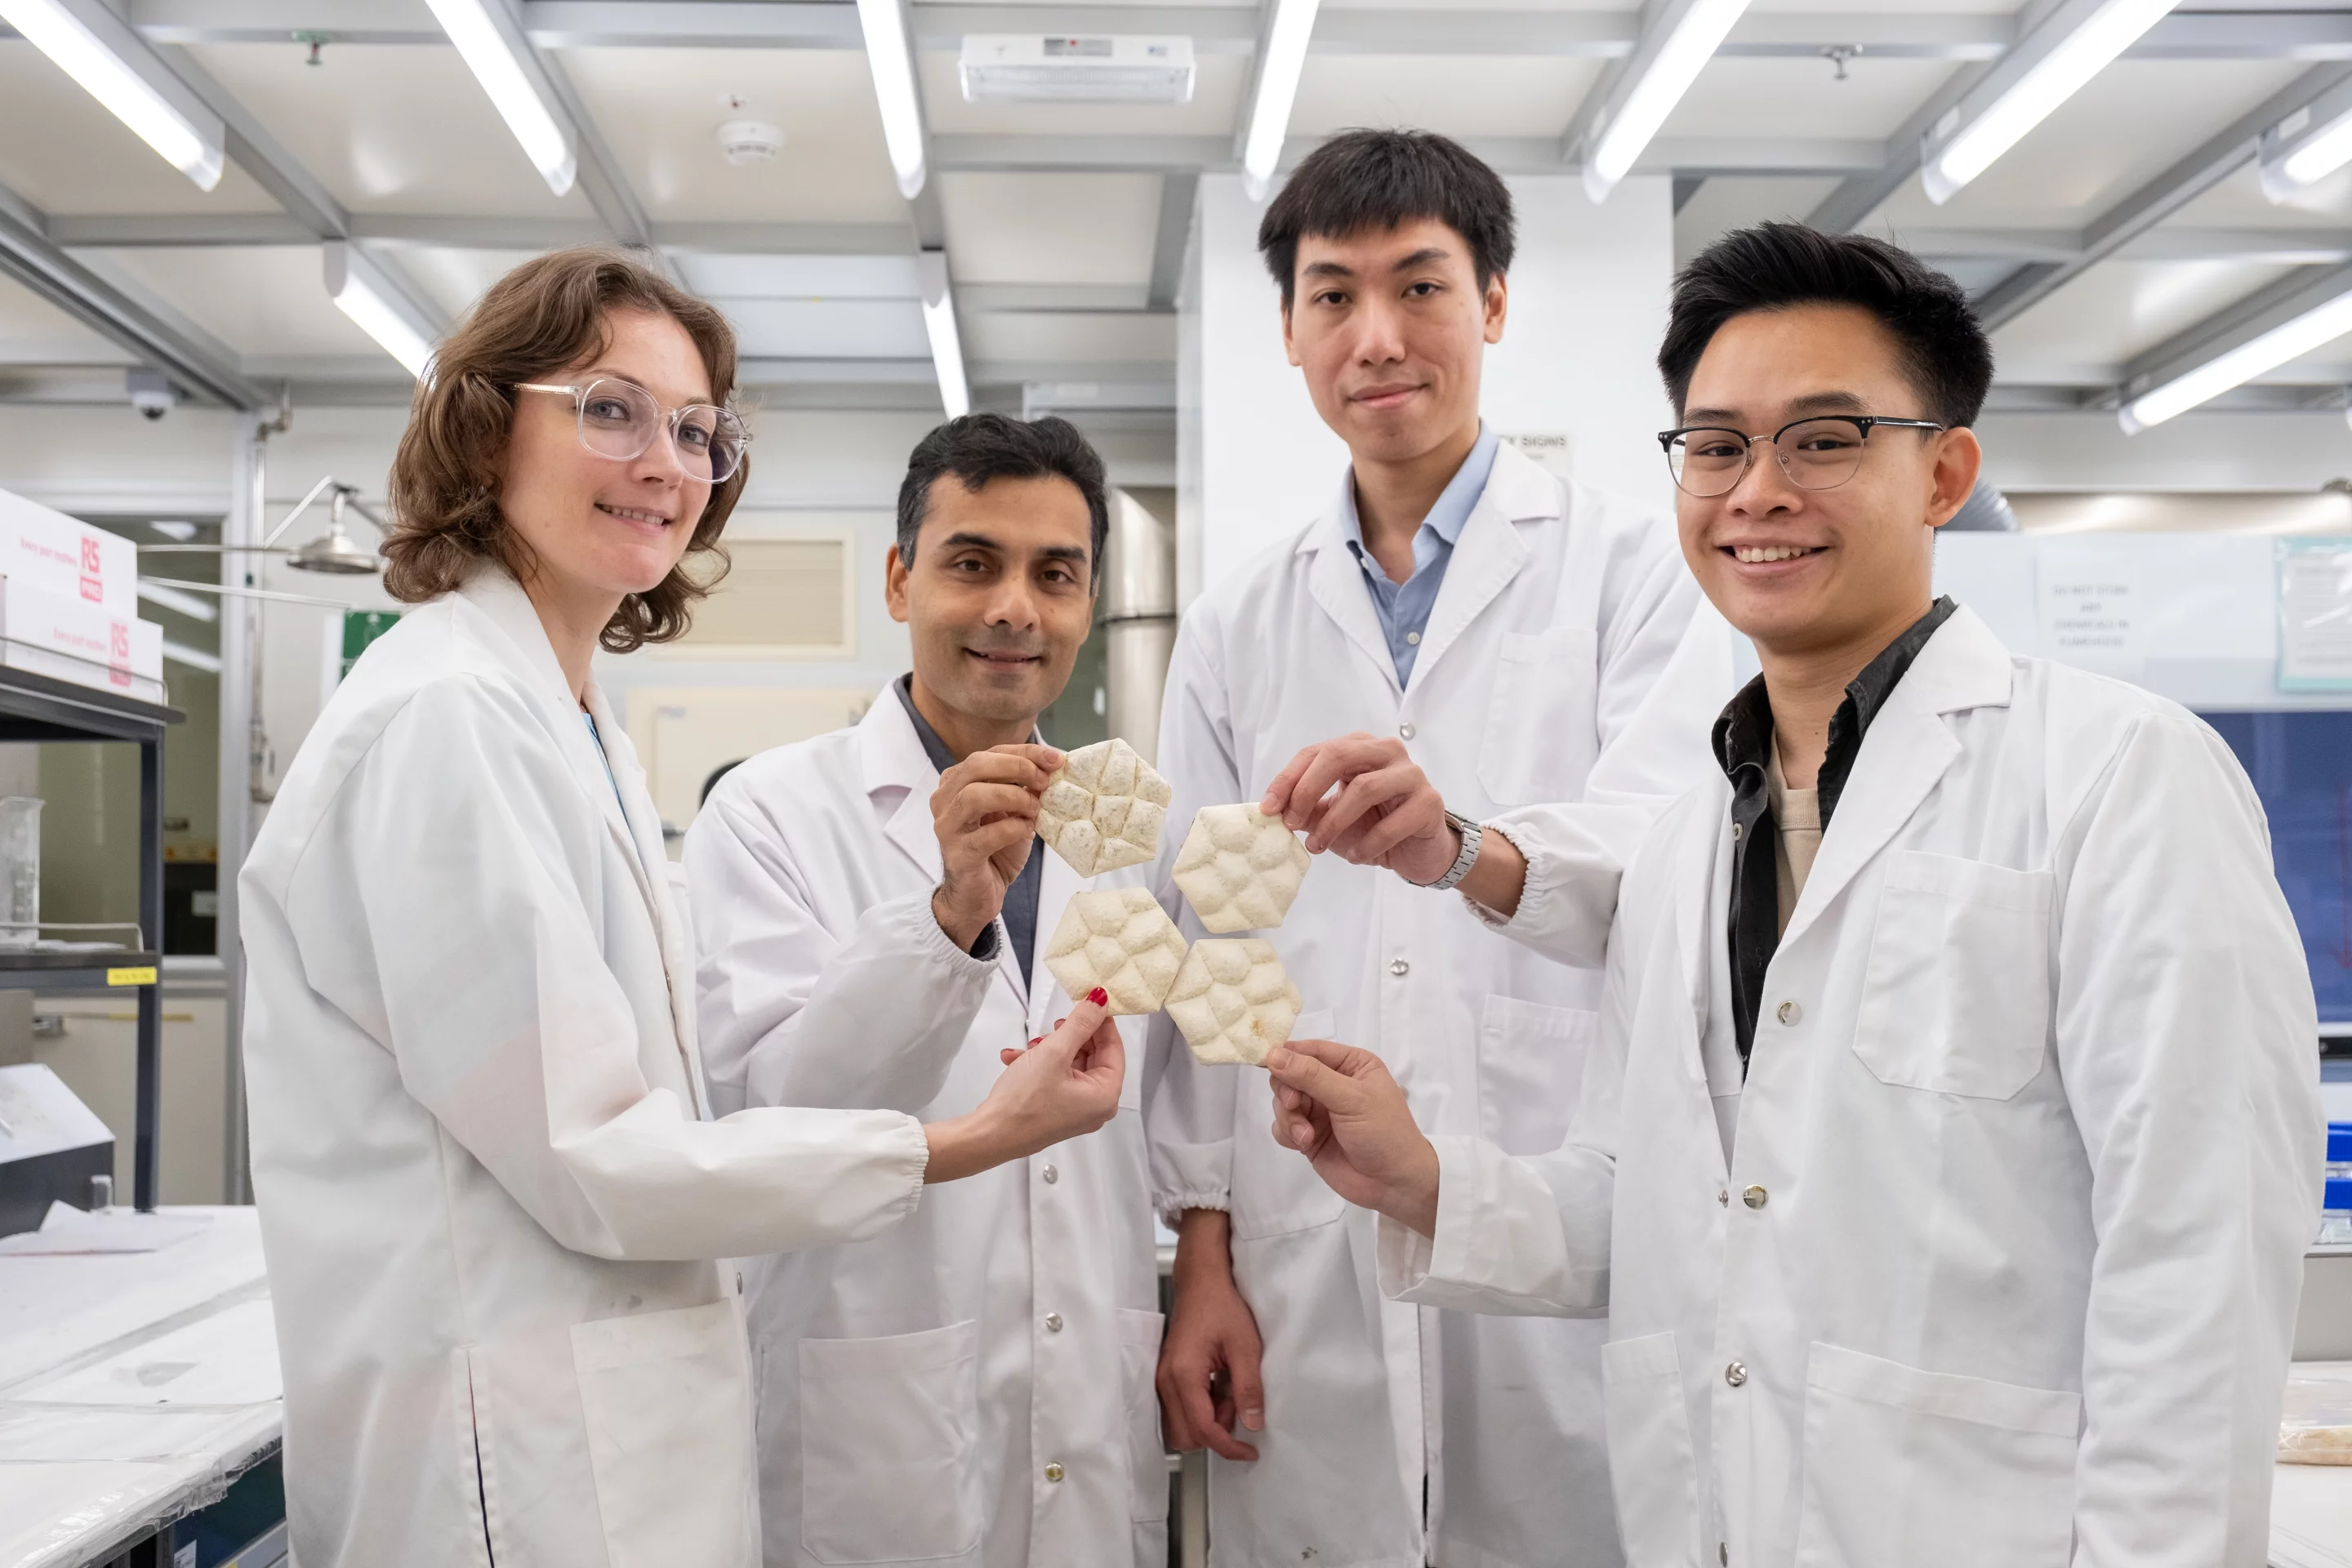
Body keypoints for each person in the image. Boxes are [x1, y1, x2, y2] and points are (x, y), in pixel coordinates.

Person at [1262, 223, 2323, 1568]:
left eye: (1824, 439)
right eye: (1716, 446)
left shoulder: (2118, 776)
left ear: (1944, 472)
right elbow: (1656, 1208)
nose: (1758, 490)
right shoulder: (1695, 836)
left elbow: (2199, 1258)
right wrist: (1423, 1180)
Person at [239, 251, 1126, 1568]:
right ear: (489, 427)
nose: (664, 459)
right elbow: (604, 1157)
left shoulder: (555, 717)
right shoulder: (447, 722)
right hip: (505, 1468)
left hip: (601, 1444)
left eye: (696, 429)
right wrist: (964, 1139)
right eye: (609, 408)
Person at [1147, 128, 1730, 1568]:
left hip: (1561, 1202)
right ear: (1288, 329)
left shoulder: (1636, 571)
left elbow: (1678, 858)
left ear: (1496, 304)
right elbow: (1209, 956)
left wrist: (1472, 850)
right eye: (1334, 295)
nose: (1379, 336)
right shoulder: (1236, 625)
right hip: (1304, 1233)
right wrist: (1204, 1254)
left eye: (1422, 286)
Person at [686, 414, 1168, 1568]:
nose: (1014, 608)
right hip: (875, 1401)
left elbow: (1169, 1124)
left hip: (1086, 1398)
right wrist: (948, 915)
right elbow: (773, 1111)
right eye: (972, 563)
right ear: (901, 579)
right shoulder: (771, 813)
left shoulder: (1126, 833)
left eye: (1055, 575)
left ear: (1088, 605)